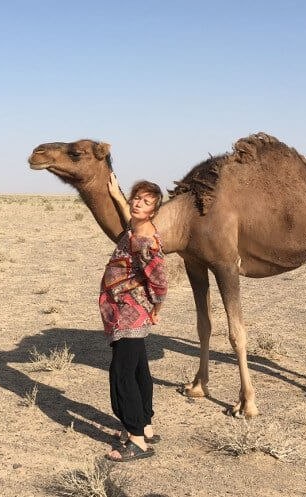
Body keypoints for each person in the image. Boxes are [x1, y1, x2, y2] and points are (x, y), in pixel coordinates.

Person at [101, 173, 168, 462]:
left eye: (146, 201)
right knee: (139, 370)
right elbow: (129, 218)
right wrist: (116, 195)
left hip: (131, 313)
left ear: (154, 210)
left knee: (121, 374)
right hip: (124, 311)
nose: (138, 204)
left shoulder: (146, 240)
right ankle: (145, 425)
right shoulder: (137, 227)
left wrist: (156, 309)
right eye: (136, 198)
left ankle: (137, 440)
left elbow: (160, 281)